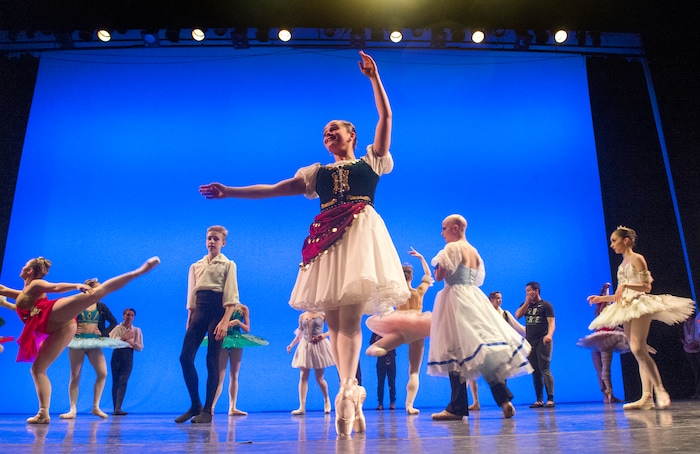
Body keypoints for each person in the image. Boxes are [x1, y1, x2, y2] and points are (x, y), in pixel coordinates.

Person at [199, 51, 409, 436]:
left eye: (335, 129)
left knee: (349, 318)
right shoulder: (315, 173)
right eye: (325, 132)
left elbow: (386, 118)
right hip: (326, 239)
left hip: (361, 234)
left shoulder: (372, 161)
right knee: (336, 317)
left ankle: (348, 388)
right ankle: (349, 388)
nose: (328, 134)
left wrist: (374, 79)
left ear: (352, 135)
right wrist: (229, 191)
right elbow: (275, 189)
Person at [0, 255, 159, 424]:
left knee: (94, 295)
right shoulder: (23, 293)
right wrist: (4, 301)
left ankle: (138, 272)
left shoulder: (36, 284)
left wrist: (76, 285)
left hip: (52, 314)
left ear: (30, 270)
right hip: (58, 328)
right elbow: (4, 290)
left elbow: (54, 287)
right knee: (38, 369)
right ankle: (43, 413)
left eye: (24, 265)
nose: (22, 268)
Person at [427, 215, 531, 421]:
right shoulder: (474, 251)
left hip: (455, 299)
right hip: (474, 298)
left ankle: (457, 407)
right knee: (482, 352)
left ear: (455, 228)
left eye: (444, 228)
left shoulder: (451, 248)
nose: (442, 233)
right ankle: (504, 400)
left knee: (455, 352)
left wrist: (437, 264)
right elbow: (478, 279)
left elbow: (440, 276)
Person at [587, 226, 695, 410]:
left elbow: (646, 286)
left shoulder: (637, 259)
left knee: (638, 348)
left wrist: (626, 284)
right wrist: (603, 298)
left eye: (614, 240)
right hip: (626, 307)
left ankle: (660, 390)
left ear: (626, 240)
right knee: (639, 351)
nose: (612, 245)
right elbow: (622, 293)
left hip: (640, 304)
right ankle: (647, 397)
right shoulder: (621, 265)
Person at [176, 225, 239, 424]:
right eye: (209, 238)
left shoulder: (228, 264)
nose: (211, 241)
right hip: (199, 312)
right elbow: (191, 295)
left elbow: (232, 296)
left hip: (217, 312)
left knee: (212, 360)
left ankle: (208, 411)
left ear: (223, 243)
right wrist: (190, 317)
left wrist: (224, 321)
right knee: (185, 357)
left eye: (216, 239)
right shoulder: (196, 265)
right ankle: (195, 404)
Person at [365, 247, 432, 415]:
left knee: (374, 348)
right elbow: (428, 276)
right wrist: (422, 257)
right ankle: (409, 405)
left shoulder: (397, 294)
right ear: (411, 277)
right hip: (418, 328)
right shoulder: (418, 292)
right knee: (414, 370)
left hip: (401, 326)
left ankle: (377, 349)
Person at [59, 279, 130, 420]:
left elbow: (113, 321)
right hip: (77, 341)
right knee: (75, 375)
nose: (100, 291)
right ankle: (72, 409)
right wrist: (72, 328)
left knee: (103, 373)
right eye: (97, 289)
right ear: (89, 289)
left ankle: (96, 406)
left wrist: (103, 333)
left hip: (94, 341)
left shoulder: (101, 307)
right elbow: (64, 317)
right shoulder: (77, 304)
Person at [467, 291, 526, 410]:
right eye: (497, 298)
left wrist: (534, 332)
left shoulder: (505, 314)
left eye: (501, 298)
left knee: (499, 375)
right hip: (486, 347)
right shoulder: (484, 314)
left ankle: (505, 402)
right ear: (491, 300)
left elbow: (519, 328)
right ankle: (476, 402)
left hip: (502, 348)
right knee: (471, 373)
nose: (500, 300)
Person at [211, 301, 268, 416]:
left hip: (237, 339)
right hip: (224, 338)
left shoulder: (243, 308)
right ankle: (211, 407)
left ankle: (232, 407)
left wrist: (237, 322)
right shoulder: (222, 306)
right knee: (220, 375)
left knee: (234, 375)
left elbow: (247, 328)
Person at [577, 283, 627, 404]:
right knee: (600, 369)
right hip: (596, 342)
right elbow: (601, 301)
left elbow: (616, 327)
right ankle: (606, 395)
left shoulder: (614, 314)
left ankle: (610, 395)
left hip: (606, 341)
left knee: (605, 368)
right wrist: (603, 290)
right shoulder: (601, 313)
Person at [516, 281, 556, 408]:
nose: (527, 293)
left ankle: (550, 399)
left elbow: (551, 323)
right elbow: (518, 315)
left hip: (543, 340)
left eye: (529, 291)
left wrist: (549, 335)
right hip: (530, 341)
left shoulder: (546, 305)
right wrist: (527, 302)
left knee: (544, 368)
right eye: (526, 292)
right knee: (535, 371)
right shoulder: (526, 305)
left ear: (536, 291)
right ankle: (539, 399)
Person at [286, 311, 334, 415]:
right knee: (303, 376)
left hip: (319, 346)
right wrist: (291, 345)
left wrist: (323, 336)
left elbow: (333, 329)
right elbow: (300, 334)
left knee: (319, 378)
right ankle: (302, 406)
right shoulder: (302, 316)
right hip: (305, 346)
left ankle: (326, 400)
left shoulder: (323, 315)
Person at [109, 307, 144, 415]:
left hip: (128, 355)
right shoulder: (117, 328)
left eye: (132, 315)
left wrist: (132, 342)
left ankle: (118, 407)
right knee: (116, 381)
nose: (129, 317)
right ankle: (116, 408)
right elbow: (111, 342)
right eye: (127, 315)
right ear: (123, 316)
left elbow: (140, 347)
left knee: (123, 380)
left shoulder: (136, 330)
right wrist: (123, 338)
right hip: (117, 354)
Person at [369, 332, 396, 410]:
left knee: (392, 381)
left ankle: (392, 402)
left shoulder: (392, 331)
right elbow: (371, 343)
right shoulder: (376, 331)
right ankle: (380, 403)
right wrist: (376, 339)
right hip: (381, 358)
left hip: (391, 357)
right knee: (380, 382)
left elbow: (397, 342)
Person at [681, 312, 700, 399]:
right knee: (695, 372)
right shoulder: (684, 324)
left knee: (698, 371)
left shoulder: (696, 321)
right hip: (688, 349)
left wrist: (696, 343)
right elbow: (681, 337)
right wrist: (686, 344)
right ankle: (696, 392)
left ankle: (698, 392)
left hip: (697, 348)